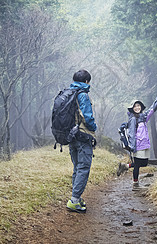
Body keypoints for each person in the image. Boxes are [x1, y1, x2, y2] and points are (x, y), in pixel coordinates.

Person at [117, 92, 157, 191]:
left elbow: (152, 110)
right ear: (132, 108)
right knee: (137, 164)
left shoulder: (143, 117)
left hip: (145, 144)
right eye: (135, 106)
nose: (137, 107)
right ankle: (135, 184)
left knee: (144, 163)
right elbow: (132, 134)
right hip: (137, 145)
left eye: (138, 106)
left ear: (141, 107)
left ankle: (125, 166)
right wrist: (133, 147)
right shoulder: (133, 119)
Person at [66, 69, 97, 213]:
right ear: (86, 82)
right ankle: (74, 201)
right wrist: (94, 127)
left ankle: (76, 198)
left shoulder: (69, 93)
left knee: (77, 167)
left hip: (71, 135)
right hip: (82, 135)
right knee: (83, 168)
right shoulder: (83, 95)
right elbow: (87, 117)